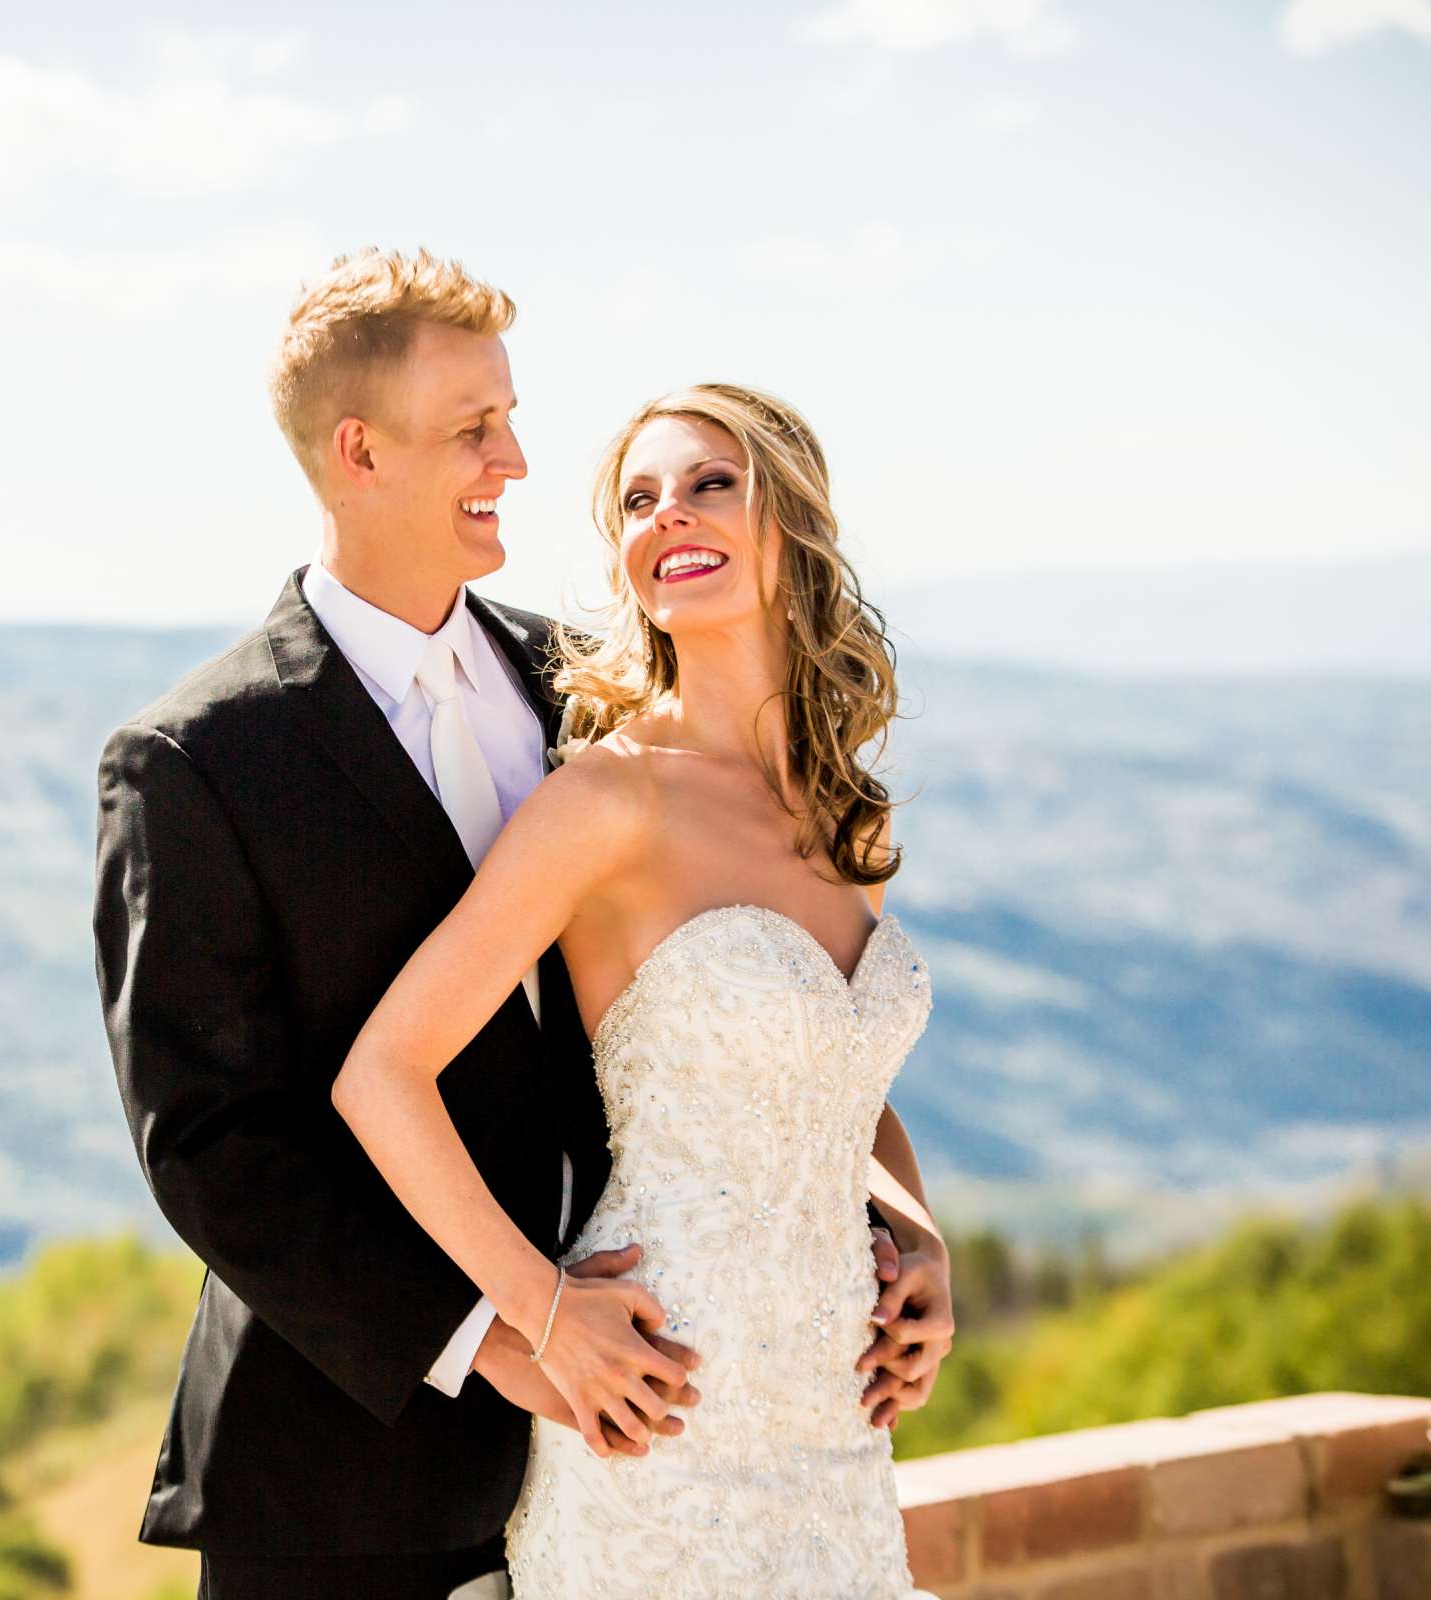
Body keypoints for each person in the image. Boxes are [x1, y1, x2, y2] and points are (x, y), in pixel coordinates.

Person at [94, 249, 947, 1600]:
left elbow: (761, 1064)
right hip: (353, 1467)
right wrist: (507, 1331)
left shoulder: (584, 691)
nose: (520, 459)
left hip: (669, 1406)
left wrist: (909, 1238)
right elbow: (211, 1148)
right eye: (476, 429)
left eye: (512, 415)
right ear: (361, 450)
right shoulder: (195, 757)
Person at [332, 380, 953, 1595]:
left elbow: (839, 1088)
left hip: (837, 1420)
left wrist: (921, 1240)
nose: (670, 513)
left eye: (711, 482)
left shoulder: (848, 815)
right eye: (638, 499)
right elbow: (380, 1076)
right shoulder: (607, 800)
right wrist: (544, 1308)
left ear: (793, 522)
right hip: (659, 1400)